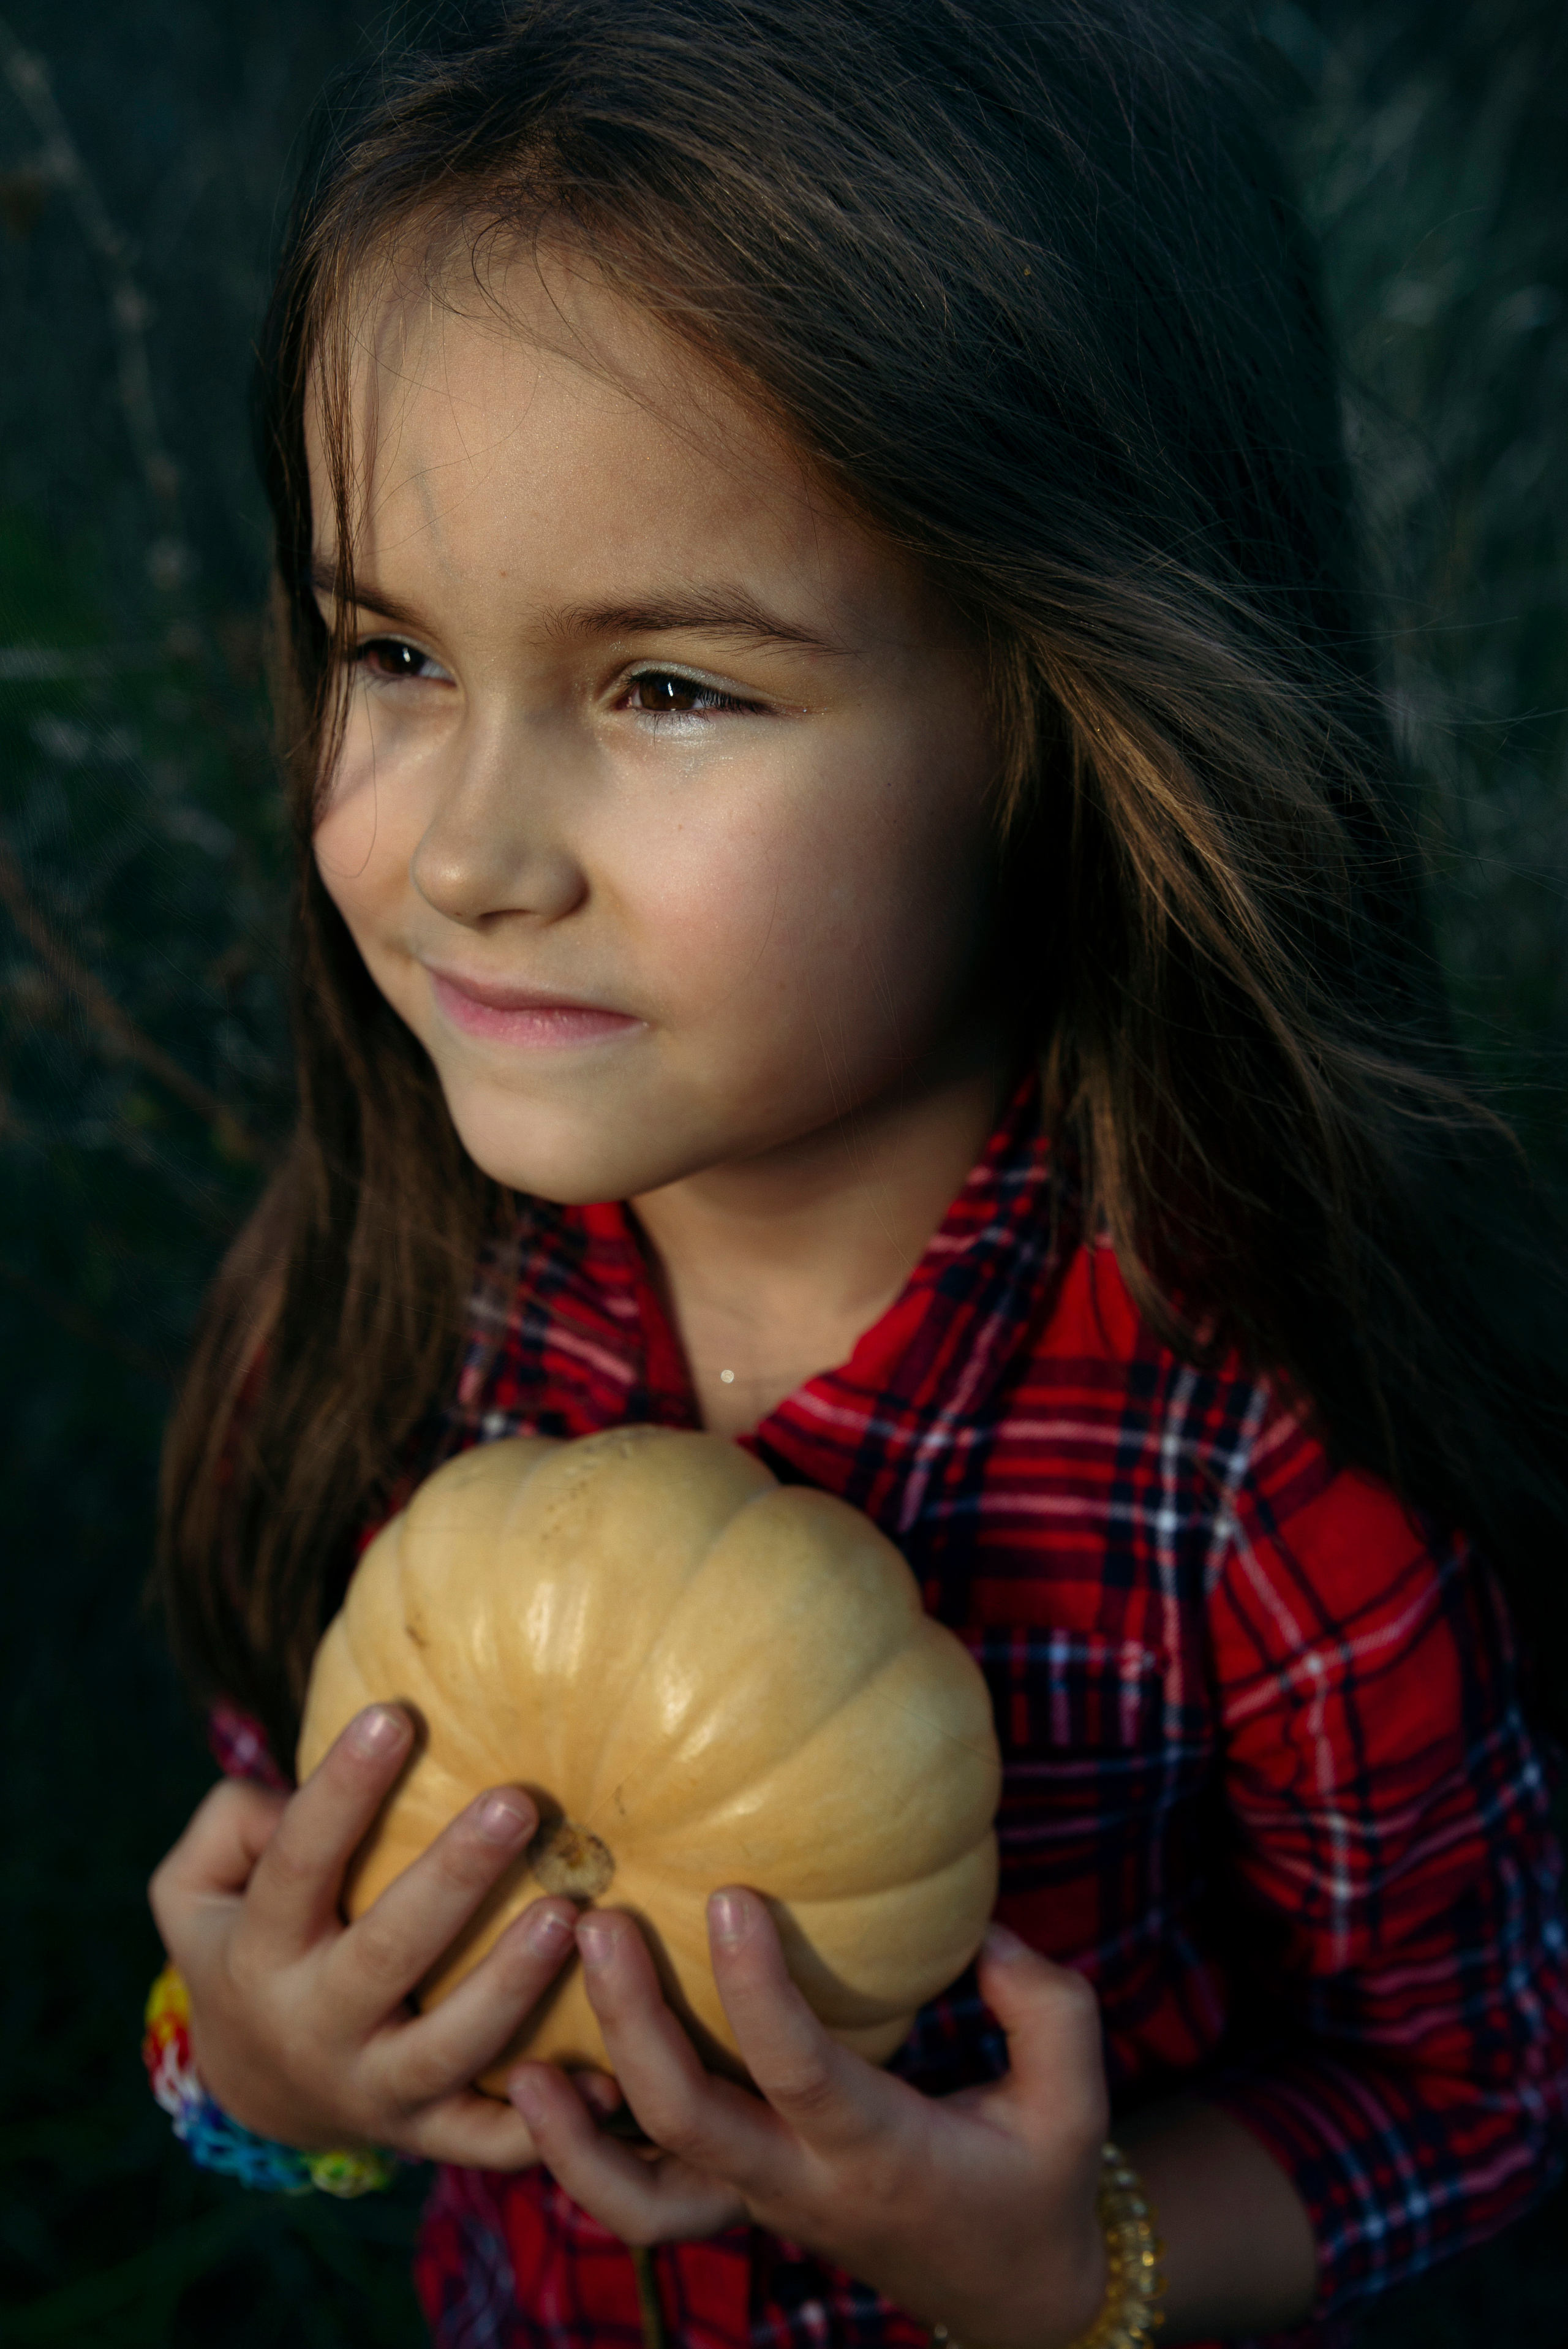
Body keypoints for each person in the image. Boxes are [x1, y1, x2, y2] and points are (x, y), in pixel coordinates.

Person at [145, 2, 1568, 2343]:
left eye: (667, 685)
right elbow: (294, 1881)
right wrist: (272, 2069)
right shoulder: (396, 1307)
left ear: (1063, 707)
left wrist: (1083, 2254)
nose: (475, 853)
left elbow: (1474, 2071)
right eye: (391, 648)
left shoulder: (1261, 1477)